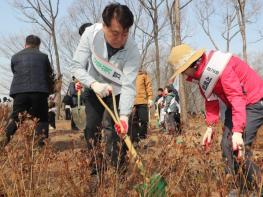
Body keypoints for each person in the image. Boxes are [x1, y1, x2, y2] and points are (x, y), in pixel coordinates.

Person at [168, 44, 263, 193]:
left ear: (189, 65)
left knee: (239, 145)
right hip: (236, 106)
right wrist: (210, 127)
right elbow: (211, 101)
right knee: (226, 145)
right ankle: (235, 188)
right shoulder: (202, 75)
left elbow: (236, 96)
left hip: (253, 101)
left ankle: (258, 184)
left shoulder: (219, 66)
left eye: (182, 71)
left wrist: (237, 131)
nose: (183, 75)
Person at [69, 3, 140, 171]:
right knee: (91, 129)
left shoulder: (132, 49)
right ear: (104, 26)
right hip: (94, 88)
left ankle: (119, 171)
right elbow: (76, 66)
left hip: (117, 91)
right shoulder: (90, 34)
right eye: (115, 33)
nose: (121, 39)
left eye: (125, 33)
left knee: (116, 132)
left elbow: (129, 85)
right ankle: (96, 171)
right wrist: (93, 84)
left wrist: (124, 116)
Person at [0, 35, 54, 147]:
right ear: (38, 45)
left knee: (16, 118)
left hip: (20, 92)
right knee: (42, 118)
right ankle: (40, 147)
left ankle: (3, 141)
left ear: (25, 44)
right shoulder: (43, 56)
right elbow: (49, 72)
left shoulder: (15, 57)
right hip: (39, 91)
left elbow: (15, 71)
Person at [132, 69, 153, 140]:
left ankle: (142, 136)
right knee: (133, 121)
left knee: (144, 120)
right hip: (133, 102)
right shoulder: (130, 76)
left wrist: (150, 98)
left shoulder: (144, 76)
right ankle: (135, 138)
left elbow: (149, 87)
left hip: (143, 101)